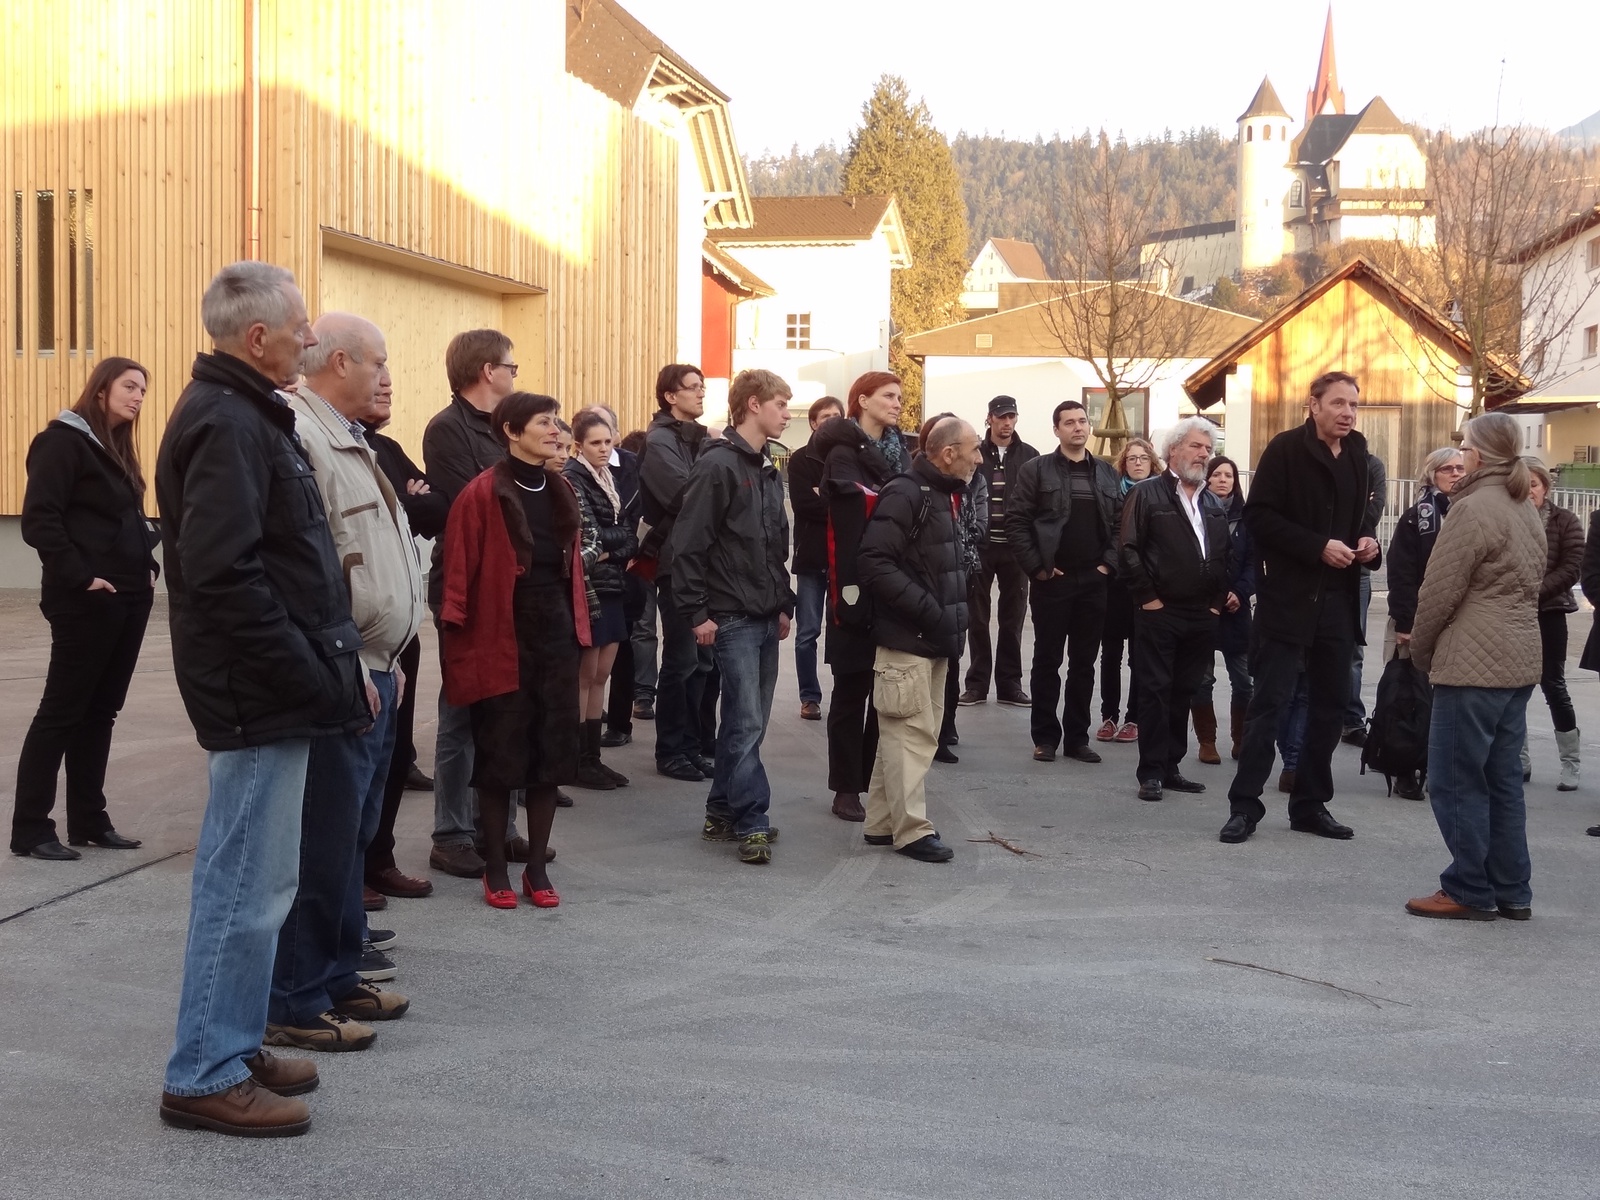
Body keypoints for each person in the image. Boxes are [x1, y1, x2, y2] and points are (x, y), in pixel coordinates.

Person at [157, 262, 367, 1137]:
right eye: (300, 327)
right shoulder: (227, 421)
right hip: (256, 695)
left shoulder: (247, 412)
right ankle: (205, 1070)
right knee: (244, 886)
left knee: (263, 883)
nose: (310, 339)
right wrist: (309, 672)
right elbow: (223, 576)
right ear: (257, 338)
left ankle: (232, 1046)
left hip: (270, 689)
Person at [266, 313, 423, 1052]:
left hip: (377, 667)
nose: (385, 376)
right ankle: (296, 998)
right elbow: (311, 566)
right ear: (338, 362)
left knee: (353, 834)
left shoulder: (349, 437)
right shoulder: (304, 433)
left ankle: (336, 973)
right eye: (377, 362)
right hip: (345, 671)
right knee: (323, 840)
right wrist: (347, 662)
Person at [437, 391, 588, 909]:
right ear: (511, 430)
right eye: (544, 422)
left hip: (555, 633)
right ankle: (496, 867)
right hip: (500, 633)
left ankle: (537, 868)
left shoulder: (561, 488)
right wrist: (457, 640)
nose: (555, 430)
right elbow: (457, 571)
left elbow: (572, 569)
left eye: (556, 422)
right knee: (500, 753)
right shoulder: (481, 493)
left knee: (552, 752)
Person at [1220, 370, 1380, 844]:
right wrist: (1316, 547)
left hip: (1339, 601)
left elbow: (1359, 519)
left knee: (1329, 709)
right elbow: (1259, 517)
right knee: (1268, 705)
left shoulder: (1359, 454)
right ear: (1314, 405)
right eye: (1338, 403)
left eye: (1354, 405)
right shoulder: (1285, 449)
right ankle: (1244, 807)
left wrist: (1367, 543)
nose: (1348, 413)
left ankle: (1310, 805)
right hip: (1287, 600)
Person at [11, 358, 159, 861]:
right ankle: (31, 828)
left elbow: (126, 520)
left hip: (130, 595)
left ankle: (90, 821)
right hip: (86, 599)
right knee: (61, 711)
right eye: (129, 386)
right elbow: (40, 520)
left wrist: (148, 565)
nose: (138, 397)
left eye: (143, 390)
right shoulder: (61, 442)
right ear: (100, 391)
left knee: (101, 712)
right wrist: (81, 578)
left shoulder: (116, 450)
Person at [1405, 413, 1544, 921]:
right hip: (1518, 658)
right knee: (1502, 781)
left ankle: (1468, 887)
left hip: (1471, 663)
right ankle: (1512, 889)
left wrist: (1421, 651)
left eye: (1464, 447)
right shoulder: (1523, 505)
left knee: (1457, 779)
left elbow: (1439, 591)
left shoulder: (1472, 509)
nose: (1460, 455)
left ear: (1479, 454)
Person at [670, 369, 795, 864]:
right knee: (744, 722)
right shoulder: (718, 465)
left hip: (763, 614)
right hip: (731, 616)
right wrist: (696, 612)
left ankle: (720, 812)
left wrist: (783, 603)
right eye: (781, 404)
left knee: (749, 724)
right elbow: (688, 543)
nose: (787, 414)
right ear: (753, 405)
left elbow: (775, 544)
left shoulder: (767, 466)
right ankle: (751, 819)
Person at [422, 329, 527, 879]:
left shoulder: (507, 427)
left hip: (514, 585)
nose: (514, 375)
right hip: (467, 588)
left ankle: (499, 828)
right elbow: (480, 503)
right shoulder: (447, 429)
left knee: (507, 712)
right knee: (462, 713)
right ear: (488, 370)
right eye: (511, 366)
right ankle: (452, 834)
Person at [857, 416, 981, 861]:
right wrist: (930, 611)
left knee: (905, 735)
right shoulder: (908, 493)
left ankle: (881, 822)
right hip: (910, 638)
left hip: (932, 637)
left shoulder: (942, 494)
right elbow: (874, 562)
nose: (979, 458)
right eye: (973, 449)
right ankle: (911, 831)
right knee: (909, 736)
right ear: (948, 453)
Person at [361, 375, 449, 900]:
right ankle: (350, 871)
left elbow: (438, 507)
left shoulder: (388, 448)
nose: (388, 389)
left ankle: (380, 859)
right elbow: (386, 517)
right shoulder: (335, 447)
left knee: (393, 753)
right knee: (360, 757)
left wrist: (409, 502)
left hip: (401, 628)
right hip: (362, 630)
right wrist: (408, 502)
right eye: (376, 378)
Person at [813, 371, 912, 821]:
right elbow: (854, 508)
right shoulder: (842, 452)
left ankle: (875, 780)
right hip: (852, 583)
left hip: (891, 582)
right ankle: (845, 787)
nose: (897, 403)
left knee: (886, 693)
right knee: (851, 690)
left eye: (900, 397)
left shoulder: (900, 451)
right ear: (863, 400)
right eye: (889, 396)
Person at [1005, 400, 1123, 765]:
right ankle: (1045, 738)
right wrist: (1037, 567)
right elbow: (1016, 521)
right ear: (1056, 430)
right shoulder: (1036, 470)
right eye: (1069, 422)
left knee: (1084, 664)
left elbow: (1121, 525)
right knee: (1047, 660)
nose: (1077, 427)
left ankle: (1077, 739)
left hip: (1094, 581)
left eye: (1082, 421)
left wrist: (1107, 566)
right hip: (1052, 581)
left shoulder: (1106, 473)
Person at [1118, 418, 1229, 802]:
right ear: (1173, 450)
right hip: (1159, 611)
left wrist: (1216, 604)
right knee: (1155, 690)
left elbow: (1224, 555)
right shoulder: (1147, 493)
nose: (1204, 454)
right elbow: (1128, 548)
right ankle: (1150, 771)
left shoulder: (1212, 502)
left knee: (1184, 690)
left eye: (1208, 449)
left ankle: (1171, 766)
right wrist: (1148, 598)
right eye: (1197, 446)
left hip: (1201, 614)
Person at [639, 364, 715, 782]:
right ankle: (670, 750)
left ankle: (691, 745)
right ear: (670, 396)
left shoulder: (699, 438)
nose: (701, 393)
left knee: (702, 662)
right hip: (676, 562)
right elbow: (690, 496)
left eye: (702, 387)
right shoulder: (659, 441)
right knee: (682, 660)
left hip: (704, 562)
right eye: (693, 388)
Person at [1384, 447, 1463, 800]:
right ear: (1432, 475)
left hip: (1461, 621)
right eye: (1447, 469)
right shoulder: (1418, 517)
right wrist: (1405, 621)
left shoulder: (1472, 511)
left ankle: (1443, 768)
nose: (1456, 474)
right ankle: (1405, 768)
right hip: (1418, 619)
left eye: (1460, 468)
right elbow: (1401, 572)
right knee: (1410, 697)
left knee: (1450, 700)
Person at [565, 409, 637, 790]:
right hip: (590, 587)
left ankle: (592, 757)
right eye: (595, 443)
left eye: (608, 442)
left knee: (602, 675)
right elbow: (588, 537)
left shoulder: (608, 478)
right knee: (585, 675)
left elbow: (628, 536)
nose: (604, 449)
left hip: (612, 584)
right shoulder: (574, 478)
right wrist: (614, 543)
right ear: (578, 445)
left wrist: (613, 545)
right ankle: (578, 760)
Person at [960, 395, 1038, 708]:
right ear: (990, 418)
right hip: (981, 546)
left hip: (1016, 549)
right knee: (977, 618)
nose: (1007, 423)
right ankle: (977, 685)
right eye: (1001, 417)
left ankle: (1009, 685)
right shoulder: (975, 452)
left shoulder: (1030, 456)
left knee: (1013, 619)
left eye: (1011, 417)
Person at [923, 412, 988, 764]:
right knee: (931, 658)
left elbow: (979, 525)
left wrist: (958, 542)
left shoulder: (974, 482)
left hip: (964, 573)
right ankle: (930, 730)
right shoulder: (916, 487)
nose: (979, 459)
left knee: (952, 654)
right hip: (933, 579)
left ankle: (946, 727)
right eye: (973, 449)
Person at [1190, 455, 1254, 764]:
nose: (1223, 480)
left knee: (1244, 681)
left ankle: (1241, 740)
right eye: (1217, 474)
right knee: (1202, 680)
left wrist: (1240, 592)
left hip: (1236, 610)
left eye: (1229, 475)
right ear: (1207, 479)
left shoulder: (1248, 518)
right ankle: (1207, 741)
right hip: (1203, 609)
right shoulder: (1195, 512)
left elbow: (1256, 563)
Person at [1524, 460, 1584, 790]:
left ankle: (1570, 763)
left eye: (1534, 484)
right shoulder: (1508, 518)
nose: (1528, 490)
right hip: (1511, 613)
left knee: (1553, 685)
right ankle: (1519, 759)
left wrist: (1534, 592)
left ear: (1545, 488)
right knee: (1513, 688)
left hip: (1550, 612)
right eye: (1522, 484)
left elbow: (1572, 567)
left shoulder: (1565, 521)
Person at [1097, 437, 1160, 744]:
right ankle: (1109, 716)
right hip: (1115, 584)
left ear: (1152, 463)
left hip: (1145, 586)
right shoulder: (1112, 493)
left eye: (1143, 458)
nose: (1137, 463)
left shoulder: (1160, 494)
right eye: (1132, 458)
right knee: (1110, 653)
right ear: (1123, 463)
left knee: (1140, 655)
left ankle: (1134, 718)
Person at [787, 395, 845, 721]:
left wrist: (823, 498)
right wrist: (836, 505)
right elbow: (803, 505)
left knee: (843, 630)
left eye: (837, 416)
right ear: (813, 423)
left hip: (843, 559)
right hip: (811, 557)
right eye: (825, 417)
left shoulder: (850, 458)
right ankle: (809, 697)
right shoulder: (800, 460)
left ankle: (844, 694)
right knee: (807, 633)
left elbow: (857, 506)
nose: (831, 422)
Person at [594, 407, 645, 749]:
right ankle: (587, 719)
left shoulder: (632, 466)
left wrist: (611, 547)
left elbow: (632, 522)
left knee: (624, 648)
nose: (601, 442)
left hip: (626, 571)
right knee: (589, 656)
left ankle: (619, 723)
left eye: (606, 431)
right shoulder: (575, 470)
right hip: (589, 574)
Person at [1340, 450, 1388, 746]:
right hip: (1319, 564)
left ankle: (1351, 721)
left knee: (1353, 650)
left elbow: (1375, 507)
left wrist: (1352, 513)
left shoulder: (1372, 464)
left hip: (1358, 566)